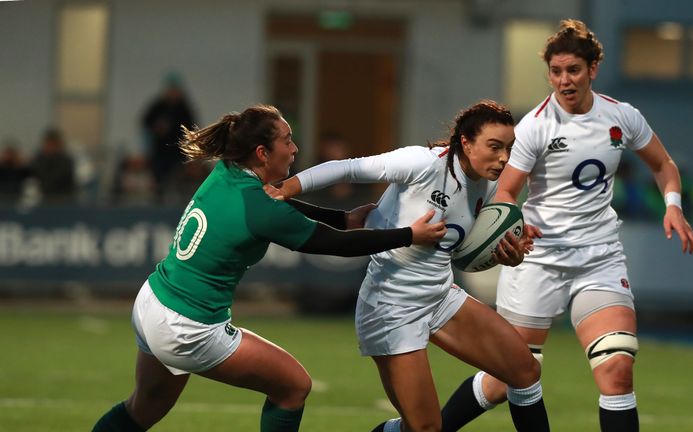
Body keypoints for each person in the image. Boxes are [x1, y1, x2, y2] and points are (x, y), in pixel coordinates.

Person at [91, 104, 447, 432]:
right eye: (287, 141)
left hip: (153, 300)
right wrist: (408, 235)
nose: (294, 150)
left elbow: (275, 200)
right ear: (262, 153)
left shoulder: (227, 171)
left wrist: (343, 217)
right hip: (188, 326)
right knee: (294, 387)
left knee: (144, 408)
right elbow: (332, 245)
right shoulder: (258, 207)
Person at [439, 20, 693, 432]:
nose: (564, 80)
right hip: (538, 260)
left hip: (599, 258)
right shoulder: (535, 127)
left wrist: (673, 204)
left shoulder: (621, 116)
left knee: (616, 371)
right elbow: (505, 193)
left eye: (573, 70)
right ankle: (427, 428)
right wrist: (516, 225)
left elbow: (663, 164)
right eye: (556, 72)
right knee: (508, 379)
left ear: (592, 69)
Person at [267, 100, 551, 432]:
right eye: (494, 146)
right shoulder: (423, 163)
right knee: (425, 428)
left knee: (524, 371)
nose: (504, 157)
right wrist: (285, 189)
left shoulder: (488, 187)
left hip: (440, 296)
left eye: (509, 148)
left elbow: (467, 250)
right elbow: (346, 168)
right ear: (466, 142)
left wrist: (508, 253)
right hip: (391, 306)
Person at [141, 72, 197, 201]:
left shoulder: (184, 108)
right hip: (160, 153)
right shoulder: (158, 106)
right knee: (159, 182)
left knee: (179, 182)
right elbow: (145, 121)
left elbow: (192, 129)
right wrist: (157, 128)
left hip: (178, 154)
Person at [29, 128, 76, 203]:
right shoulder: (38, 159)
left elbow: (57, 180)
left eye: (53, 144)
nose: (50, 147)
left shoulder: (66, 161)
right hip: (43, 198)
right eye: (48, 143)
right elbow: (34, 176)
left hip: (62, 199)